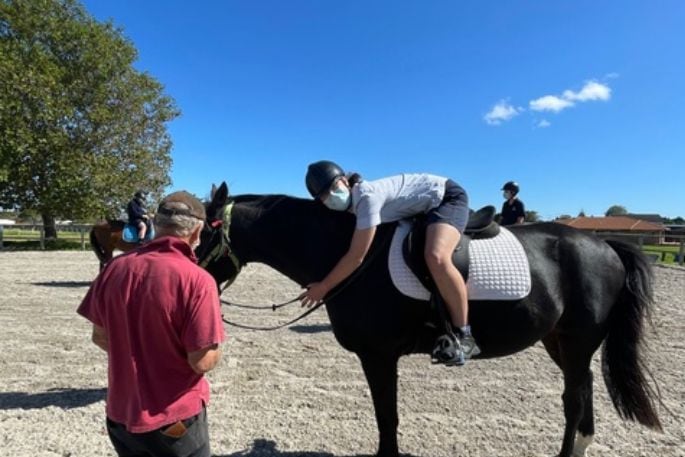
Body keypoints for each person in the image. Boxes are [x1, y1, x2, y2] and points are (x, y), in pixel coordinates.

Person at [77, 191, 225, 457]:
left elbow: (99, 337)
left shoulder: (113, 268)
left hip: (121, 414)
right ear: (197, 231)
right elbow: (201, 361)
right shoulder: (199, 281)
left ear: (156, 224)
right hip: (173, 419)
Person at [301, 160, 480, 366]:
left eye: (333, 188)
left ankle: (465, 336)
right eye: (323, 196)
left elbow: (356, 257)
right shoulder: (351, 204)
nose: (330, 197)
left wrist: (323, 287)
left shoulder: (366, 198)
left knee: (436, 257)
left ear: (344, 181)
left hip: (447, 198)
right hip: (421, 205)